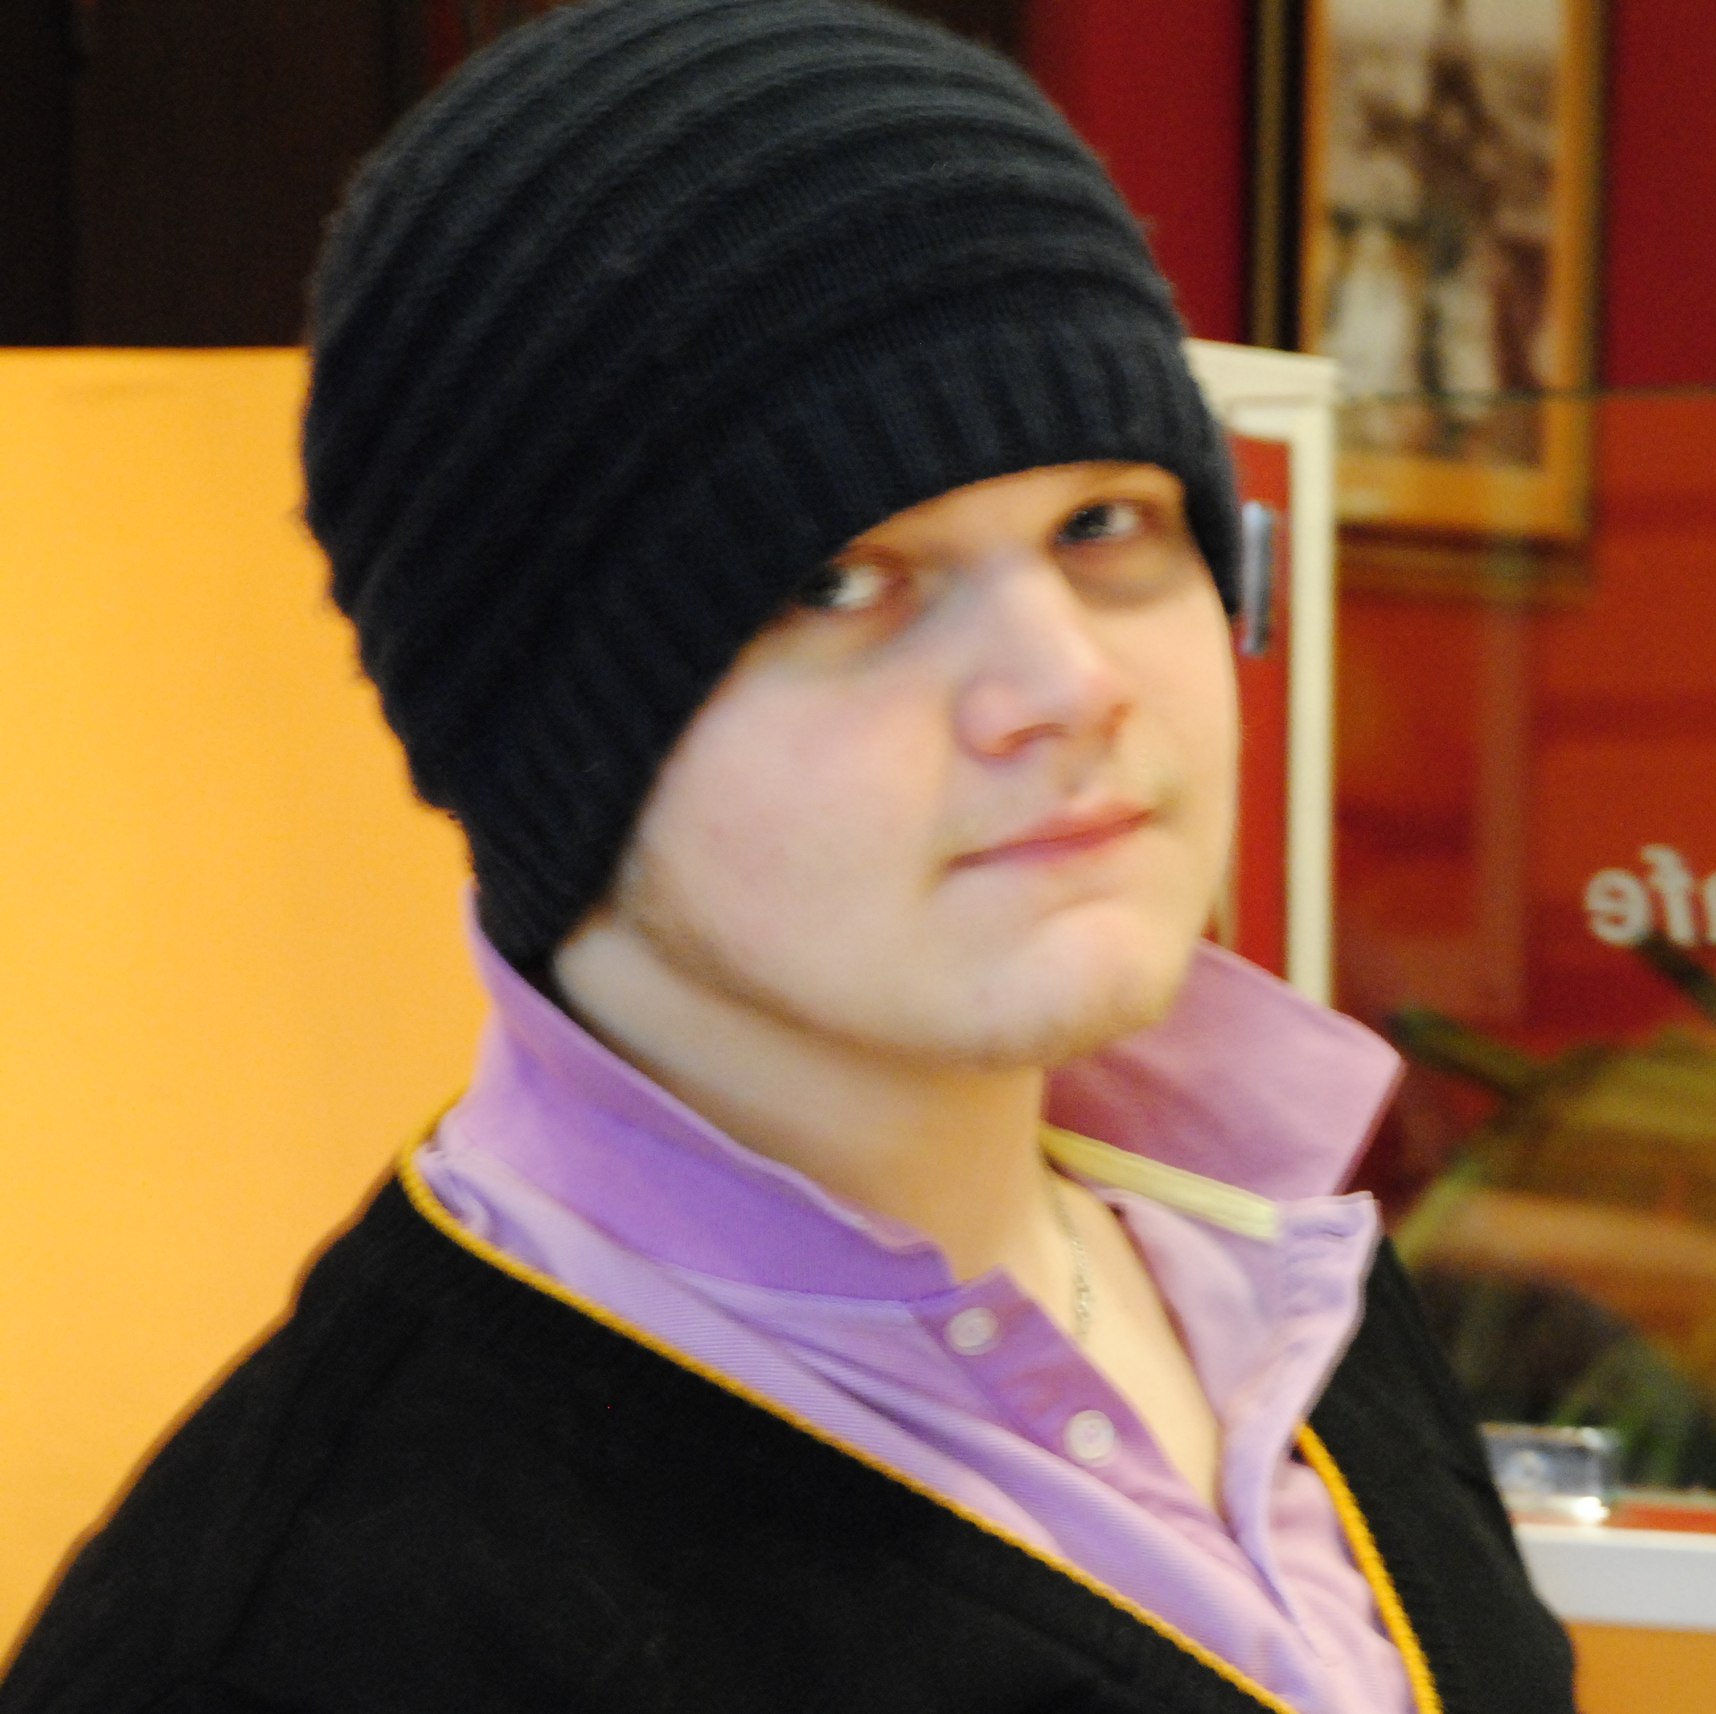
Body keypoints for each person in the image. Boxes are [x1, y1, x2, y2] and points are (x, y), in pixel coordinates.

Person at [0, 3, 1575, 1709]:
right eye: (840, 580)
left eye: (1103, 522)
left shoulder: (1279, 1284)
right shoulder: (326, 1629)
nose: (1067, 684)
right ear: (561, 728)